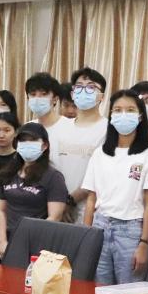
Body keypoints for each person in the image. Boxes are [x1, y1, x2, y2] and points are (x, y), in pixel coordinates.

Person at [82, 90, 148, 284]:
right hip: (99, 227)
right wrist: (85, 236)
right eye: (117, 110)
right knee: (99, 290)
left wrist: (144, 243)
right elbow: (91, 199)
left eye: (130, 110)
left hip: (131, 230)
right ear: (111, 115)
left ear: (140, 116)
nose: (123, 114)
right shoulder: (100, 153)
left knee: (128, 291)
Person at [0, 123, 69, 259]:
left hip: (39, 243)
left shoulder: (53, 177)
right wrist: (2, 241)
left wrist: (28, 241)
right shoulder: (7, 173)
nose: (27, 144)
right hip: (9, 240)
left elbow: (54, 217)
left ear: (44, 145)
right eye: (23, 141)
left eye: (33, 140)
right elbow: (1, 210)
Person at [51, 68, 109, 221]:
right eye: (79, 87)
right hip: (55, 206)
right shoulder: (60, 126)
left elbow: (100, 175)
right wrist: (58, 202)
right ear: (72, 93)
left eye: (90, 87)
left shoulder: (108, 129)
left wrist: (70, 201)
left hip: (88, 211)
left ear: (101, 96)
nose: (84, 91)